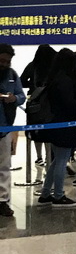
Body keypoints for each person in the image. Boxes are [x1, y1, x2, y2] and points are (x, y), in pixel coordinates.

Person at [38, 49, 76, 208]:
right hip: (65, 125)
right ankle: (58, 195)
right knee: (61, 160)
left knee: (57, 160)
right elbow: (70, 105)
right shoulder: (65, 81)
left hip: (55, 124)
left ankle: (45, 193)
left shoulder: (54, 78)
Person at [0, 43, 26, 217]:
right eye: (1, 60)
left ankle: (3, 201)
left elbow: (21, 96)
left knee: (4, 166)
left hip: (5, 127)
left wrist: (14, 98)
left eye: (7, 61)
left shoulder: (12, 75)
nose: (4, 64)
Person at [20, 44, 56, 166]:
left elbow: (21, 81)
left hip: (34, 104)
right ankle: (48, 156)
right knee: (49, 131)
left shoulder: (32, 66)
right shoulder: (54, 67)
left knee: (36, 131)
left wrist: (32, 85)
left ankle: (39, 157)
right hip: (49, 103)